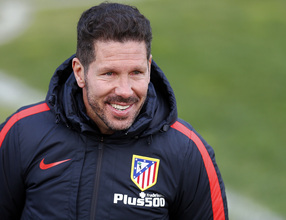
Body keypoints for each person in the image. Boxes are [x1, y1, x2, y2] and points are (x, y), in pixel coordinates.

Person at [0, 2, 228, 220]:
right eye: (109, 73)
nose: (125, 91)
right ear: (80, 72)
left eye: (137, 73)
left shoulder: (187, 151)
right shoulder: (21, 134)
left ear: (149, 67)